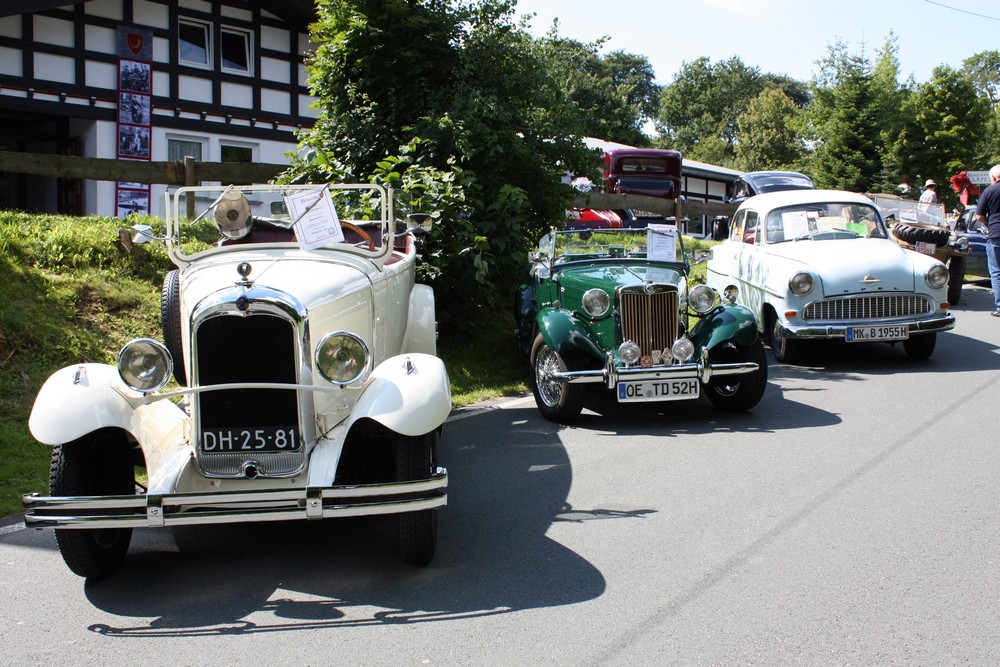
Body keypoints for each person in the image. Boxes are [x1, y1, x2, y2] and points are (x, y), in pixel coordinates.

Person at [975, 164, 1000, 317]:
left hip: (996, 233)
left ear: (994, 177)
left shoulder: (989, 191)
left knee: (997, 271)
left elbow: (979, 216)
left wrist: (988, 224)